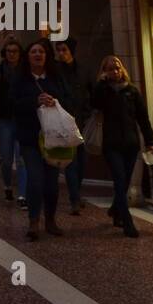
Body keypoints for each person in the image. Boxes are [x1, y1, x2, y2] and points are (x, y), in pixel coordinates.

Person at [10, 38, 71, 242]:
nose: (38, 55)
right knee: (35, 180)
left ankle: (51, 220)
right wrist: (34, 102)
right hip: (30, 137)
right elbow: (13, 104)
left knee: (51, 183)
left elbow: (68, 98)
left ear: (47, 56)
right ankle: (34, 221)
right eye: (34, 52)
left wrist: (55, 101)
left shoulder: (55, 77)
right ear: (28, 57)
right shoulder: (20, 79)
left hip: (52, 138)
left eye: (42, 52)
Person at [91, 55, 153, 239]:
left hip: (130, 143)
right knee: (119, 179)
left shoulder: (132, 91)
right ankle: (127, 221)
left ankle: (114, 209)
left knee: (125, 181)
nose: (115, 71)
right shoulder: (103, 91)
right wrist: (101, 85)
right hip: (111, 144)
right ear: (105, 72)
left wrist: (150, 141)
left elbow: (142, 118)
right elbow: (94, 104)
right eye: (111, 68)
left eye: (117, 68)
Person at [0, 36, 27, 205]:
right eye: (9, 51)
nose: (11, 54)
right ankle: (8, 185)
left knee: (22, 158)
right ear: (5, 53)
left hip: (22, 119)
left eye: (15, 51)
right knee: (6, 158)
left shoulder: (25, 71)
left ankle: (23, 194)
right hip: (4, 120)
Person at [55, 39, 91, 214]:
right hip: (64, 120)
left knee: (82, 161)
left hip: (81, 120)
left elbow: (90, 90)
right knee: (71, 161)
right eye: (59, 50)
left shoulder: (82, 70)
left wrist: (87, 111)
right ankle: (74, 199)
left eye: (64, 50)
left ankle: (77, 191)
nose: (61, 53)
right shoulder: (55, 72)